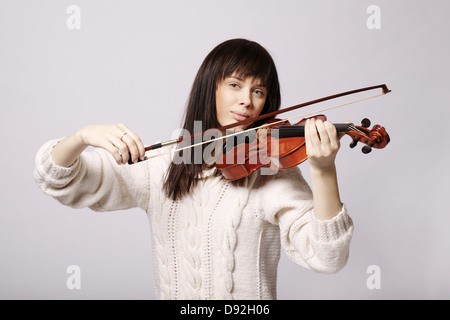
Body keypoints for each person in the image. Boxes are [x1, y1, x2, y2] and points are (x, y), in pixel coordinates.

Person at [34, 38, 353, 300]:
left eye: (258, 91)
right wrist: (81, 136)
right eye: (235, 84)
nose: (246, 101)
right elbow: (58, 179)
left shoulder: (270, 168)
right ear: (209, 87)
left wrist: (323, 171)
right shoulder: (165, 163)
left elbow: (328, 258)